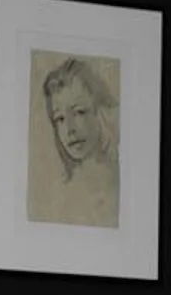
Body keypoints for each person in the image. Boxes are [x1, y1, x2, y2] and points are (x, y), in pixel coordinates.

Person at [29, 51, 120, 228]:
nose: (69, 129)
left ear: (99, 111)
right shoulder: (57, 197)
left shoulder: (120, 188)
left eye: (79, 112)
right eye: (60, 119)